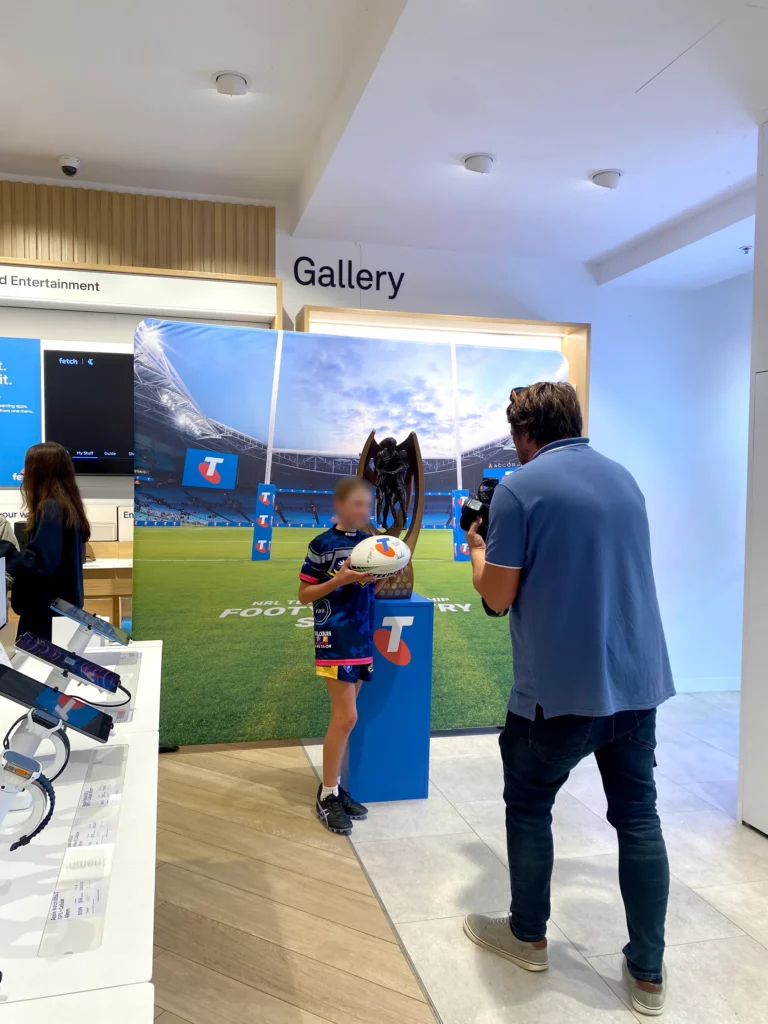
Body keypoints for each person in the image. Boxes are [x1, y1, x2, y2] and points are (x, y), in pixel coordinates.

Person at [463, 382, 674, 1018]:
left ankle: (527, 936)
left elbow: (497, 596)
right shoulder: (624, 478)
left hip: (557, 692)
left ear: (525, 433)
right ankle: (648, 973)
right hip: (636, 683)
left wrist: (477, 547)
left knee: (529, 806)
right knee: (639, 817)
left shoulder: (520, 490)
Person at [298, 477, 383, 835]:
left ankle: (334, 787)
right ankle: (326, 794)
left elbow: (370, 590)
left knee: (346, 719)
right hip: (334, 637)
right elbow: (304, 594)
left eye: (368, 504)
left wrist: (383, 576)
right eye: (357, 504)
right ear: (340, 506)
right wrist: (339, 580)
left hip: (362, 637)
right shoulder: (322, 544)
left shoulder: (369, 543)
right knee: (346, 717)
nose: (364, 510)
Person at [0, 442, 90, 641]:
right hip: (59, 613)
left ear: (41, 471)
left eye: (27, 466)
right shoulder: (66, 506)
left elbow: (38, 564)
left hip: (45, 616)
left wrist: (4, 549)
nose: (22, 473)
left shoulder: (51, 508)